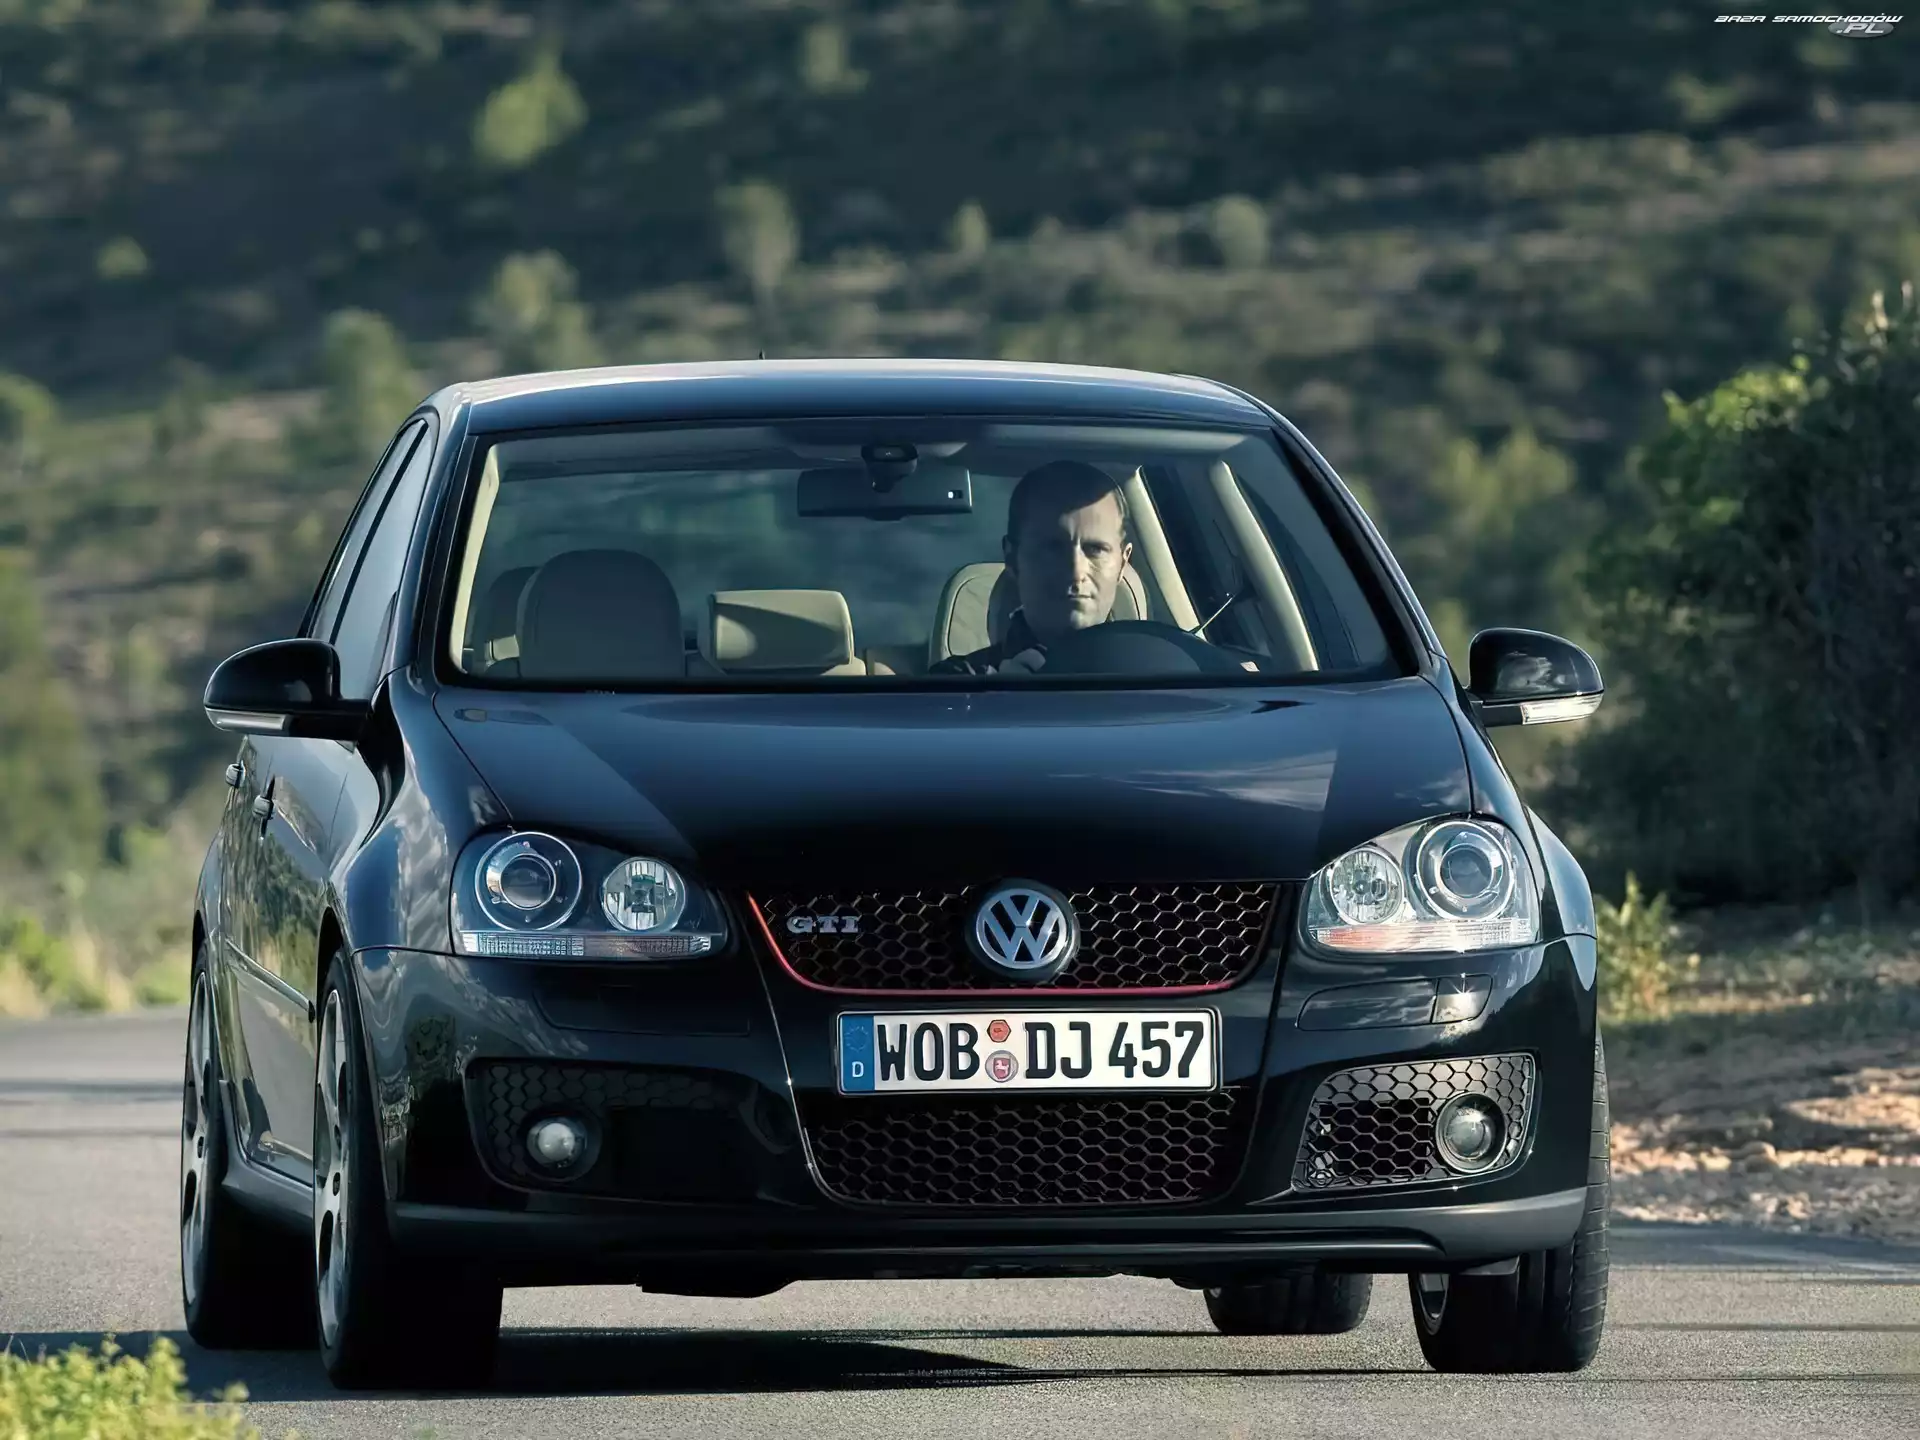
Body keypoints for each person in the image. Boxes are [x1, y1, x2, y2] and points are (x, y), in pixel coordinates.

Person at [931, 459, 1135, 675]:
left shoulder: (1156, 674)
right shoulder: (954, 685)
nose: (1076, 572)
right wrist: (998, 692)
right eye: (1052, 549)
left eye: (1096, 549)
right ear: (1012, 558)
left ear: (1123, 562)